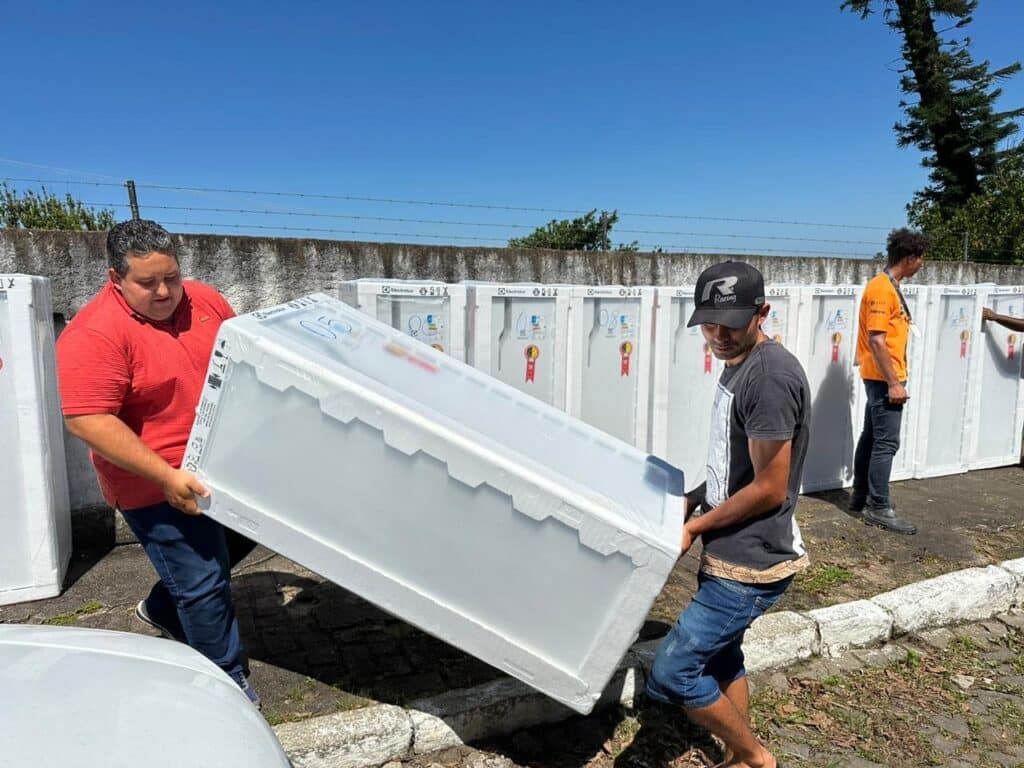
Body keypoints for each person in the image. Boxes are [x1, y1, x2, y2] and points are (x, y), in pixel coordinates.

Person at [56, 219, 259, 705]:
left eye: (172, 276)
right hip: (153, 478)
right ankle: (227, 688)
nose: (165, 291)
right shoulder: (95, 334)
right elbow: (87, 419)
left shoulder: (206, 301)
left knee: (241, 538)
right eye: (147, 283)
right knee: (205, 583)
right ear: (115, 278)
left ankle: (162, 608)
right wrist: (166, 476)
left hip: (219, 461)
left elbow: (242, 357)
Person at [646, 261, 811, 768]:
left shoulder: (767, 379)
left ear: (762, 313)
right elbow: (735, 465)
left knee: (672, 671)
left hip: (751, 562)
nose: (717, 335)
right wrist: (695, 496)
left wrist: (693, 527)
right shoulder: (740, 362)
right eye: (708, 324)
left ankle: (755, 756)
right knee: (722, 657)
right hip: (733, 548)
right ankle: (742, 757)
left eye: (731, 324)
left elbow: (768, 488)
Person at [851, 228, 927, 535]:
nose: (922, 264)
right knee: (886, 442)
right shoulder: (882, 290)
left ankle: (860, 496)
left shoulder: (886, 285)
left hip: (878, 376)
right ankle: (878, 506)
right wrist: (895, 383)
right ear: (909, 258)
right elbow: (878, 340)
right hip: (884, 378)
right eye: (921, 258)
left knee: (871, 437)